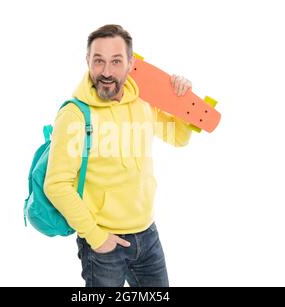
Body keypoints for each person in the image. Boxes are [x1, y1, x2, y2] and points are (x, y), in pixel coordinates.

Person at [45, 24, 194, 287]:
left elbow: (178, 137)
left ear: (130, 63)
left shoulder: (142, 102)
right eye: (98, 60)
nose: (106, 72)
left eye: (116, 61)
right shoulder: (74, 115)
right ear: (87, 61)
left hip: (147, 234)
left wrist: (182, 100)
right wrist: (96, 236)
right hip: (104, 241)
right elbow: (56, 185)